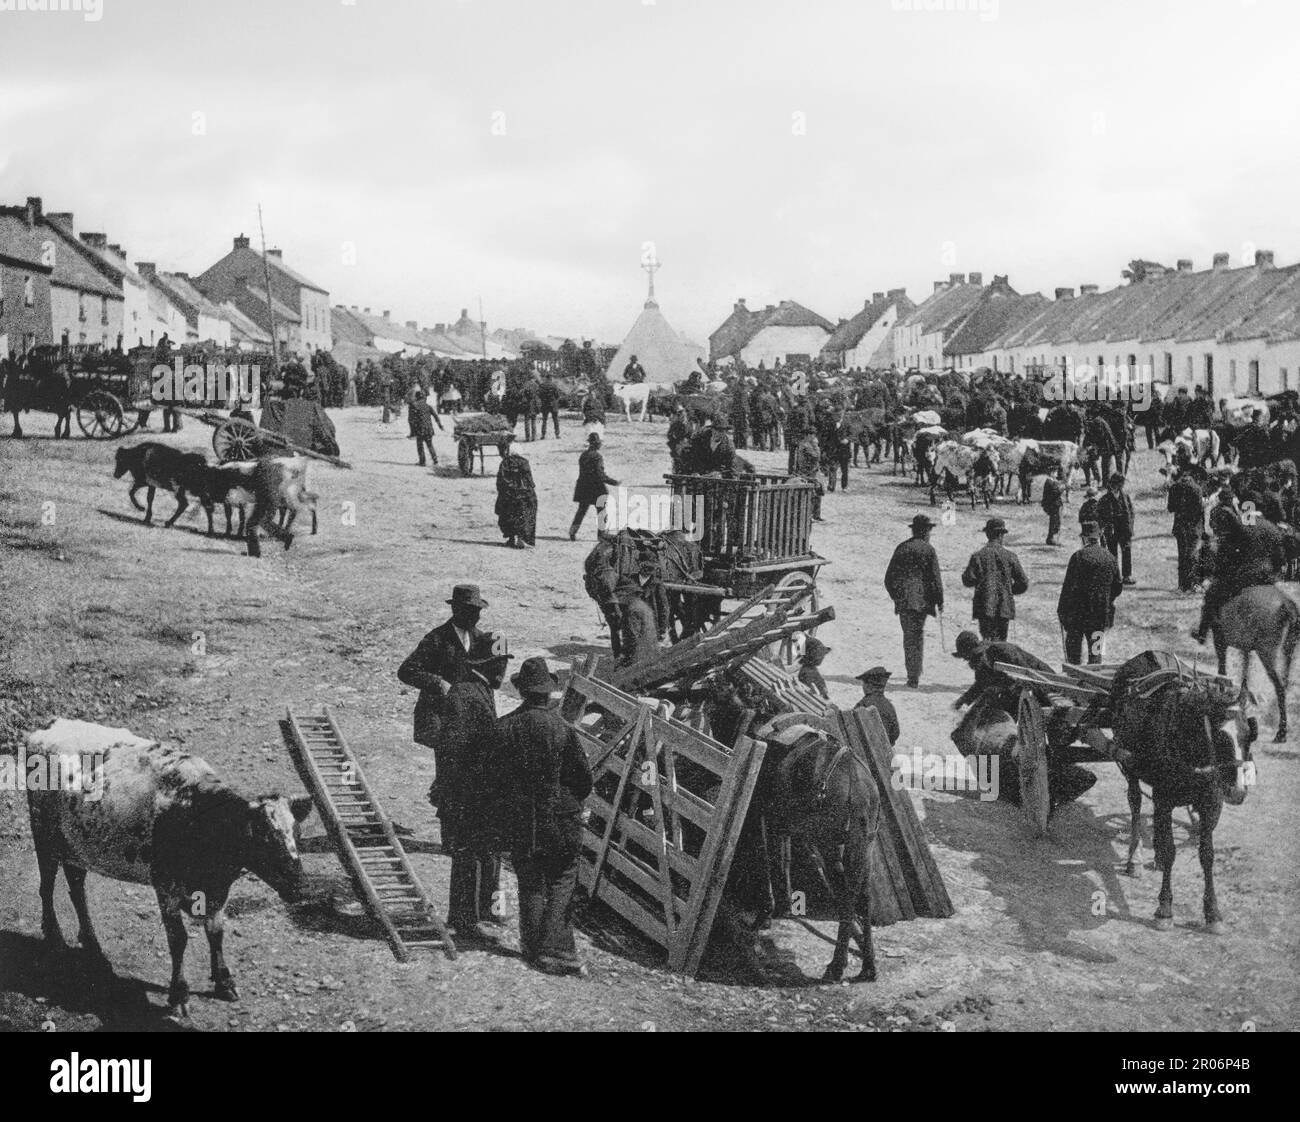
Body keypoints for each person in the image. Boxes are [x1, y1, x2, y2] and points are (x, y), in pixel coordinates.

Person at [491, 656, 593, 976]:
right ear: (549, 693)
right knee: (563, 878)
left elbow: (492, 778)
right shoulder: (562, 729)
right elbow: (583, 779)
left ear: (522, 691)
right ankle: (556, 949)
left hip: (523, 819)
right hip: (561, 818)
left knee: (531, 879)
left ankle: (532, 947)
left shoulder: (503, 727)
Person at [438, 632, 512, 945]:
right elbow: (453, 747)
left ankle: (484, 911)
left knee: (484, 851)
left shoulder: (477, 689)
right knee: (467, 856)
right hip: (467, 792)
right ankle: (463, 921)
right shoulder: (465, 693)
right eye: (502, 664)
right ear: (490, 663)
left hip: (475, 790)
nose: (505, 672)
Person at [397, 585, 489, 810]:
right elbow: (406, 671)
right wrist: (437, 683)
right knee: (449, 774)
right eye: (471, 610)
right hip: (443, 718)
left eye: (478, 611)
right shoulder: (437, 639)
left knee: (469, 775)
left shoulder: (482, 639)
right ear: (456, 609)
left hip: (470, 718)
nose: (476, 616)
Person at [1193, 514, 1285, 643]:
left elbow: (1227, 554)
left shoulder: (1239, 527)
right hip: (1267, 577)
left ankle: (1202, 634)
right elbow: (1280, 558)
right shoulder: (1271, 527)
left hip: (1243, 577)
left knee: (1211, 596)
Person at [884, 514, 945, 688]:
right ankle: (915, 675)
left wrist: (897, 597)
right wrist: (939, 601)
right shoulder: (928, 550)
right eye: (929, 531)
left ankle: (912, 675)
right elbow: (936, 579)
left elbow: (889, 579)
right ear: (925, 531)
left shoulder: (902, 548)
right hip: (922, 603)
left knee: (909, 638)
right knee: (917, 637)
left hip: (905, 603)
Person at [1057, 521, 1122, 664]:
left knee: (1074, 654)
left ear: (1084, 538)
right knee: (1096, 654)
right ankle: (1095, 680)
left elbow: (1068, 588)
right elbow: (1118, 587)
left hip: (1078, 615)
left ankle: (1074, 680)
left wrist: (1062, 611)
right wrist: (1105, 599)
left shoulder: (1078, 557)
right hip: (1101, 615)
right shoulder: (1110, 558)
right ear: (1099, 537)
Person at [951, 630, 1054, 712]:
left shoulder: (1001, 650)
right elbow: (980, 685)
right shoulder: (982, 663)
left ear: (975, 653)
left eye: (968, 658)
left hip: (1045, 683)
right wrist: (961, 702)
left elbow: (1027, 672)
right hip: (1027, 688)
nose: (969, 663)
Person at [961, 517, 1029, 642]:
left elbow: (967, 579)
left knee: (987, 642)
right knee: (1001, 644)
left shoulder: (978, 556)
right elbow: (1023, 582)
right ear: (1002, 535)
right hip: (1004, 607)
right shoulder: (1010, 556)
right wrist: (1008, 590)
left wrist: (981, 582)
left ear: (987, 534)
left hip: (984, 606)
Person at [570, 432, 618, 540]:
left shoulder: (583, 455)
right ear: (596, 444)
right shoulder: (597, 456)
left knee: (581, 511)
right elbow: (600, 474)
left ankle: (572, 531)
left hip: (583, 486)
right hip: (596, 488)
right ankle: (601, 535)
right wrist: (613, 482)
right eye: (599, 443)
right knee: (601, 511)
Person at [1167, 470, 1206, 591]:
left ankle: (1182, 584)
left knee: (1182, 555)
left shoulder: (1174, 488)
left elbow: (1170, 508)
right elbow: (1200, 508)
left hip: (1180, 526)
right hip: (1194, 526)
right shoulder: (1197, 489)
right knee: (1193, 555)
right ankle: (1194, 583)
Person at [1097, 472, 1136, 585]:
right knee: (1112, 553)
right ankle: (1114, 577)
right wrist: (1103, 528)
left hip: (1124, 529)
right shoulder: (1104, 499)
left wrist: (1130, 526)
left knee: (1126, 552)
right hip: (1112, 530)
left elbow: (1131, 512)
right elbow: (1099, 515)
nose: (1120, 487)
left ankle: (1126, 576)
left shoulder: (1125, 496)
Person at [495, 448, 537, 548]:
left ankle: (511, 538)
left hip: (509, 494)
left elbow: (500, 480)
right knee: (524, 515)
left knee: (507, 514)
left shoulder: (505, 462)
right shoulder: (524, 462)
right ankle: (521, 538)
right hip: (524, 495)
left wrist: (503, 492)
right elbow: (529, 480)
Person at [854, 667, 899, 746]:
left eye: (864, 684)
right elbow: (895, 734)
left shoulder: (863, 704)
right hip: (885, 751)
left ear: (868, 686)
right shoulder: (888, 705)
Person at [793, 430, 824, 520]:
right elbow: (816, 456)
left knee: (817, 493)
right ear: (808, 435)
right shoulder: (806, 446)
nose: (814, 437)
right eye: (812, 435)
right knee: (813, 494)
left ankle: (816, 515)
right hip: (808, 472)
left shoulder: (804, 444)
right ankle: (812, 515)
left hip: (811, 472)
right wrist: (816, 446)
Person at [410, 388, 440, 467]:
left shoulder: (415, 406)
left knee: (420, 445)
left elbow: (412, 420)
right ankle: (435, 460)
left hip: (420, 429)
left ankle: (422, 461)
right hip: (429, 429)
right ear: (424, 398)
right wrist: (440, 425)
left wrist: (412, 432)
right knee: (430, 445)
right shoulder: (428, 406)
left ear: (417, 397)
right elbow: (436, 416)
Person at [1041, 469, 1064, 545]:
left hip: (1054, 504)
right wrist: (1062, 489)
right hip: (1054, 505)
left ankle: (1052, 538)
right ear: (1051, 473)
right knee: (1054, 522)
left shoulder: (1051, 481)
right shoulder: (1050, 482)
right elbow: (1055, 493)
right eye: (1055, 472)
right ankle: (1051, 538)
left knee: (1056, 521)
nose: (1057, 474)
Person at [538, 374, 561, 439]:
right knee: (555, 420)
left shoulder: (542, 385)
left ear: (546, 378)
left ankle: (543, 435)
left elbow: (539, 395)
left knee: (544, 420)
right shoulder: (554, 385)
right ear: (551, 378)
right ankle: (557, 434)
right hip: (553, 404)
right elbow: (557, 395)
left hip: (545, 404)